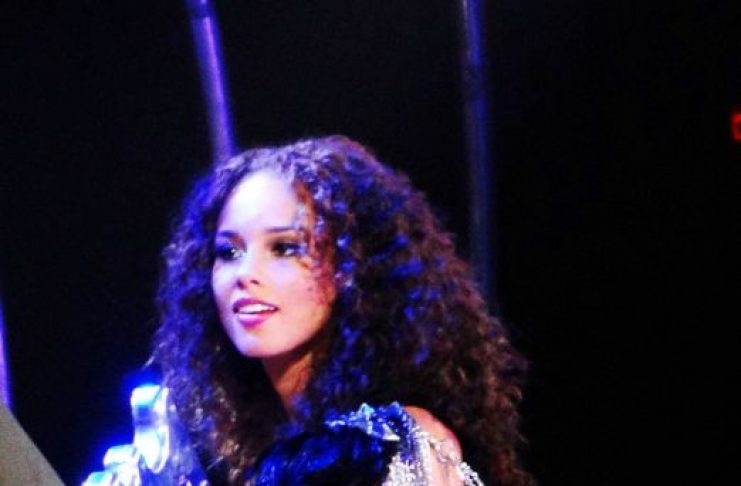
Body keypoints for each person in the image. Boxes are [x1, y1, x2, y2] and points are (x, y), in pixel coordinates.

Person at [152, 135, 533, 485]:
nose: (245, 274)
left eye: (285, 248)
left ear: (352, 268)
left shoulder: (390, 445)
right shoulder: (252, 448)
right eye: (228, 252)